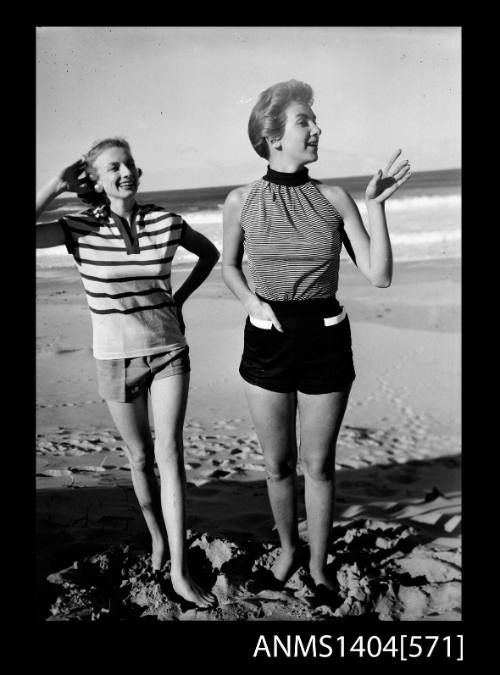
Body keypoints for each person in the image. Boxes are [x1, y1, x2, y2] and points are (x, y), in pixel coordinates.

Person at [222, 80, 411, 595]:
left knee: (319, 465)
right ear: (273, 135)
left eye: (313, 119)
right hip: (266, 340)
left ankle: (321, 565)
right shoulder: (241, 201)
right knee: (278, 465)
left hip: (326, 339)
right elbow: (230, 265)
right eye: (305, 120)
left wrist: (377, 207)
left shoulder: (334, 198)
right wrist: (251, 304)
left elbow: (379, 275)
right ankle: (288, 550)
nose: (317, 128)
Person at [36, 137, 219, 608]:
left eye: (130, 163)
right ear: (96, 179)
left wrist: (179, 300)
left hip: (168, 351)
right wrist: (55, 185)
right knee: (139, 459)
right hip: (114, 358)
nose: (126, 171)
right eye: (113, 167)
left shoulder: (165, 221)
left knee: (170, 452)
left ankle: (179, 569)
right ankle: (157, 535)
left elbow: (210, 254)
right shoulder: (76, 227)